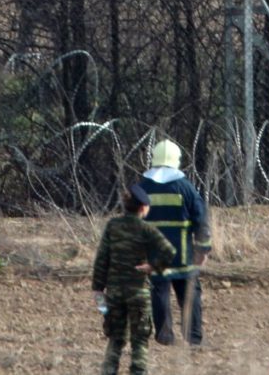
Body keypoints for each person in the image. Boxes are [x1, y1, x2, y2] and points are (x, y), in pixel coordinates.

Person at [92, 185, 177, 375]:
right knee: (139, 341)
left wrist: (98, 289)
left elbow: (101, 259)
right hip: (138, 293)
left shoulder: (112, 226)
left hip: (113, 294)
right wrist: (153, 266)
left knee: (115, 339)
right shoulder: (146, 229)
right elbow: (169, 251)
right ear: (143, 208)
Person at [139, 139, 212, 346]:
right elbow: (201, 221)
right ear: (176, 161)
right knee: (189, 294)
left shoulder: (142, 188)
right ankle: (194, 337)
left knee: (159, 293)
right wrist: (203, 249)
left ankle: (164, 337)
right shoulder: (186, 188)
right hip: (182, 253)